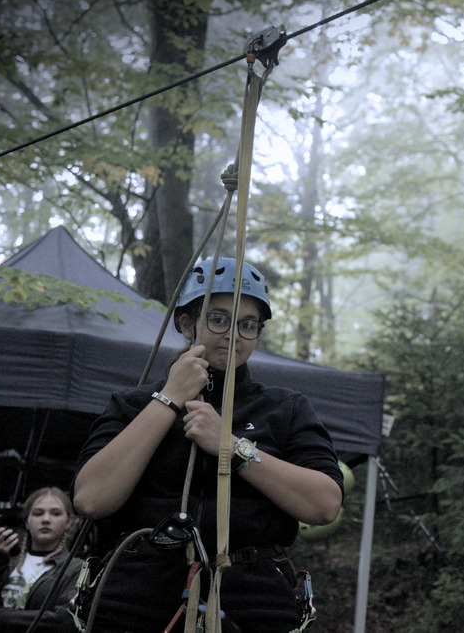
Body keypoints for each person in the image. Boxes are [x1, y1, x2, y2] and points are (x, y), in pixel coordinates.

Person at [73, 258, 343, 633]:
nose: (233, 334)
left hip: (253, 599)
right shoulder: (133, 405)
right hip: (135, 596)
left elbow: (324, 504)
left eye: (247, 325)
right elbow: (91, 499)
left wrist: (231, 446)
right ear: (187, 324)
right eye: (218, 319)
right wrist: (169, 398)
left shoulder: (285, 408)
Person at [0, 487, 83, 632]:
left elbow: (63, 620)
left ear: (69, 521)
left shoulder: (75, 568)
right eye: (38, 513)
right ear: (27, 521)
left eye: (55, 513)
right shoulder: (7, 564)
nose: (46, 519)